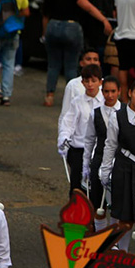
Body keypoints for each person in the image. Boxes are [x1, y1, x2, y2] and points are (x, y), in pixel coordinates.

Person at [99, 79, 135, 254]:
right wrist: (105, 169)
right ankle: (121, 252)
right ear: (130, 92)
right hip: (123, 169)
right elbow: (110, 145)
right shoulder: (117, 116)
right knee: (123, 216)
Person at [42, 0, 112, 107]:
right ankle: (72, 98)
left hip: (53, 27)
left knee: (53, 64)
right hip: (71, 28)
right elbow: (89, 8)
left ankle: (49, 96)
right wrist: (104, 20)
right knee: (71, 65)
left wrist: (44, 34)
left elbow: (45, 15)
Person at [82, 75, 121, 231]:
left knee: (116, 204)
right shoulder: (95, 113)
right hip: (99, 158)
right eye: (106, 91)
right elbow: (89, 140)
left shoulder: (125, 111)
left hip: (119, 161)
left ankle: (114, 241)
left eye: (113, 91)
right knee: (98, 202)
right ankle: (100, 236)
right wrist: (86, 164)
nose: (109, 95)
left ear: (119, 91)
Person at [58, 64, 104, 196]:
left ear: (100, 82)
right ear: (82, 82)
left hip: (99, 151)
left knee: (97, 187)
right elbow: (68, 123)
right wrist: (63, 138)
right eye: (87, 81)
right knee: (76, 187)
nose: (90, 84)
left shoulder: (105, 102)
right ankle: (76, 214)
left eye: (93, 81)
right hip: (79, 150)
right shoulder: (77, 102)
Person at [56, 48, 100, 114]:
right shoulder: (73, 84)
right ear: (81, 63)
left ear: (99, 63)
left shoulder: (105, 84)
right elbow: (66, 112)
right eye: (88, 59)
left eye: (95, 59)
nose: (92, 62)